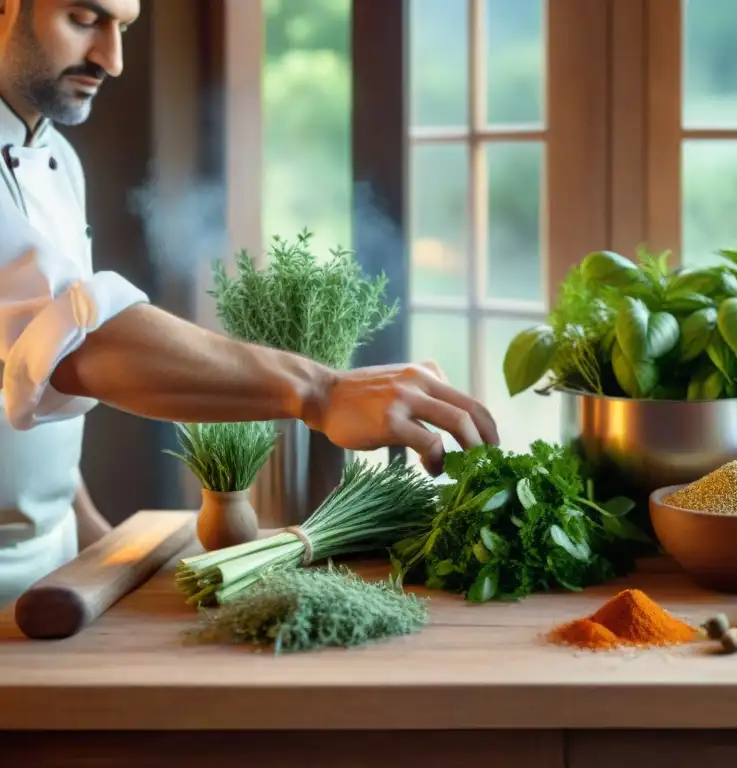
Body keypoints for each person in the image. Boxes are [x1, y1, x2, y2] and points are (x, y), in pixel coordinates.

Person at [0, 0, 499, 605]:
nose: (112, 59)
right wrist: (320, 390)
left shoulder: (60, 164)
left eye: (123, 29)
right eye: (84, 19)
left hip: (49, 575)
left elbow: (28, 365)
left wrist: (91, 541)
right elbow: (81, 342)